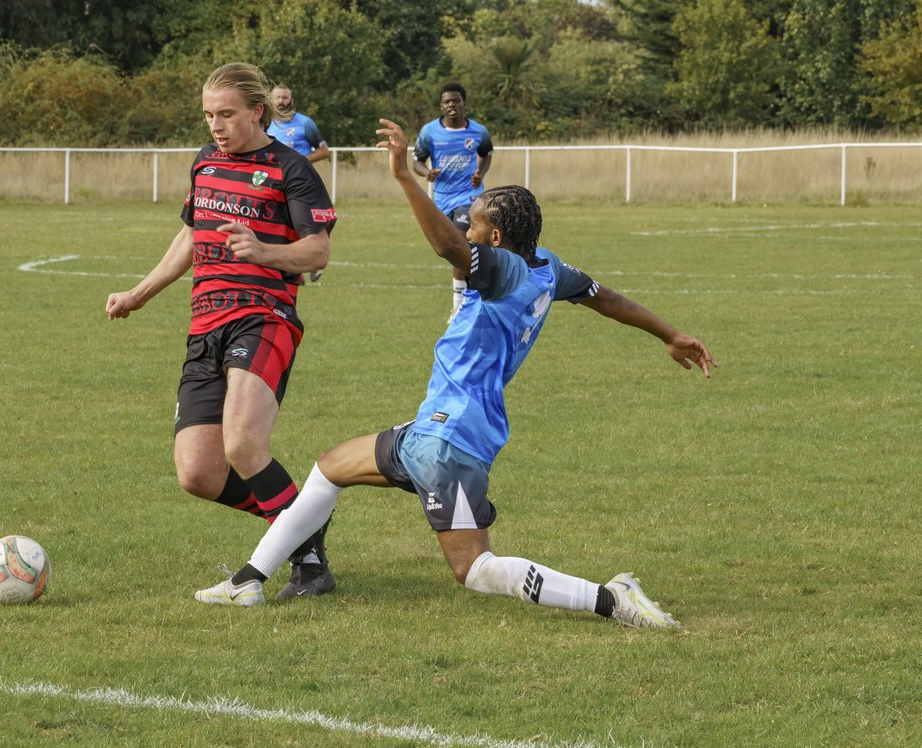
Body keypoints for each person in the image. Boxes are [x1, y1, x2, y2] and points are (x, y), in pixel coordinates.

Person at [196, 118, 718, 630]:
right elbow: (606, 298)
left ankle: (611, 598)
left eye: (472, 221)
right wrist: (669, 335)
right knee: (331, 468)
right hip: (441, 429)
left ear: (494, 235)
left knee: (475, 570)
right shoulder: (548, 268)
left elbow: (451, 248)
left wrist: (403, 175)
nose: (466, 227)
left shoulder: (501, 268)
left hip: (451, 435)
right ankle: (248, 580)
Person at [106, 63, 339, 602]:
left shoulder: (292, 168)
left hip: (264, 317)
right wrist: (139, 294)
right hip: (204, 324)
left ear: (257, 112)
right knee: (198, 473)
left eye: (227, 114)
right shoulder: (205, 163)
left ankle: (307, 561)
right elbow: (190, 235)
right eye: (210, 115)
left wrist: (264, 251)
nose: (216, 125)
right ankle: (302, 521)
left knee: (242, 444)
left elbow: (318, 250)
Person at [413, 81, 494, 320]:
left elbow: (487, 154)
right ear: (441, 105)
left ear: (463, 103)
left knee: (459, 239)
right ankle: (470, 290)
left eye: (456, 101)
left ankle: (458, 303)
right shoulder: (429, 131)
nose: (452, 105)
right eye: (447, 101)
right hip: (441, 199)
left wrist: (481, 173)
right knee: (452, 249)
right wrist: (425, 172)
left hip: (469, 197)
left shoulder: (478, 131)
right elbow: (417, 160)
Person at [267, 84, 331, 283]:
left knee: (306, 226)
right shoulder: (265, 123)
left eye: (285, 97)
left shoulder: (305, 123)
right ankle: (296, 272)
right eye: (277, 98)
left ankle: (311, 261)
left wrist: (300, 162)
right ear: (271, 100)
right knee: (280, 227)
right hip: (274, 184)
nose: (281, 102)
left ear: (291, 99)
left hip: (300, 185)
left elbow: (324, 151)